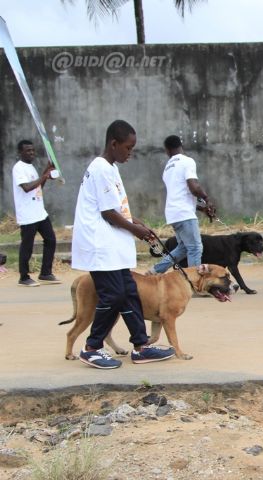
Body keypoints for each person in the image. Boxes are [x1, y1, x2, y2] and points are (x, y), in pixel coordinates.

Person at [71, 120, 175, 369]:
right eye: (128, 148)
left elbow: (119, 209)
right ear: (114, 144)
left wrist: (140, 224)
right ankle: (92, 347)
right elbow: (109, 213)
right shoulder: (100, 169)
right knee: (114, 295)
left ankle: (141, 346)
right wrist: (136, 231)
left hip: (113, 245)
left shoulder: (111, 167)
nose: (131, 153)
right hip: (100, 245)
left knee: (129, 292)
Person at [147, 135, 214, 275]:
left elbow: (181, 196)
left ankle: (154, 271)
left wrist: (202, 208)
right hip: (184, 214)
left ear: (167, 150)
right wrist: (207, 199)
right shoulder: (187, 161)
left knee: (183, 248)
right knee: (195, 248)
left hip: (174, 214)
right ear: (180, 145)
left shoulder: (167, 168)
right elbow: (194, 188)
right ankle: (194, 283)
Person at [12, 140, 60, 287]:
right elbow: (26, 188)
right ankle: (24, 277)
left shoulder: (31, 167)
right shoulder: (18, 168)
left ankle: (45, 273)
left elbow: (38, 187)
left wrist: (46, 171)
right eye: (28, 151)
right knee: (27, 246)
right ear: (20, 152)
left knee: (51, 240)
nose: (31, 153)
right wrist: (44, 176)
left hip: (39, 212)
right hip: (27, 214)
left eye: (33, 150)